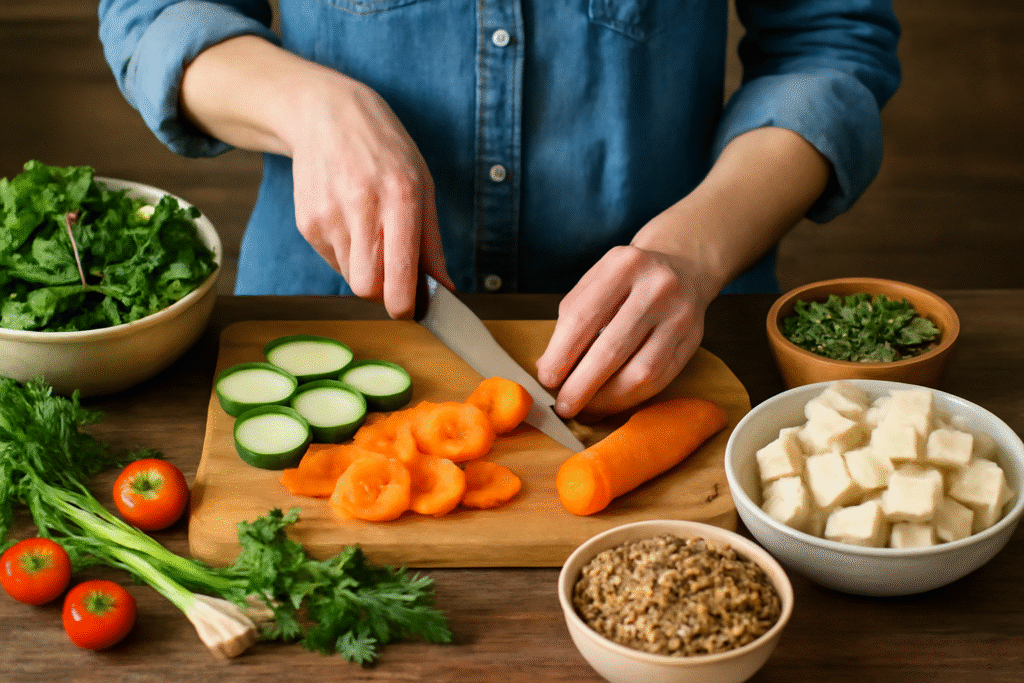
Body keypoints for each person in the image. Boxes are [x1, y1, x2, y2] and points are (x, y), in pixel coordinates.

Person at [98, 0, 900, 420]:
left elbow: (830, 45)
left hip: (677, 336)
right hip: (324, 312)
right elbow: (154, 10)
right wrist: (309, 108)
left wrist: (697, 249)